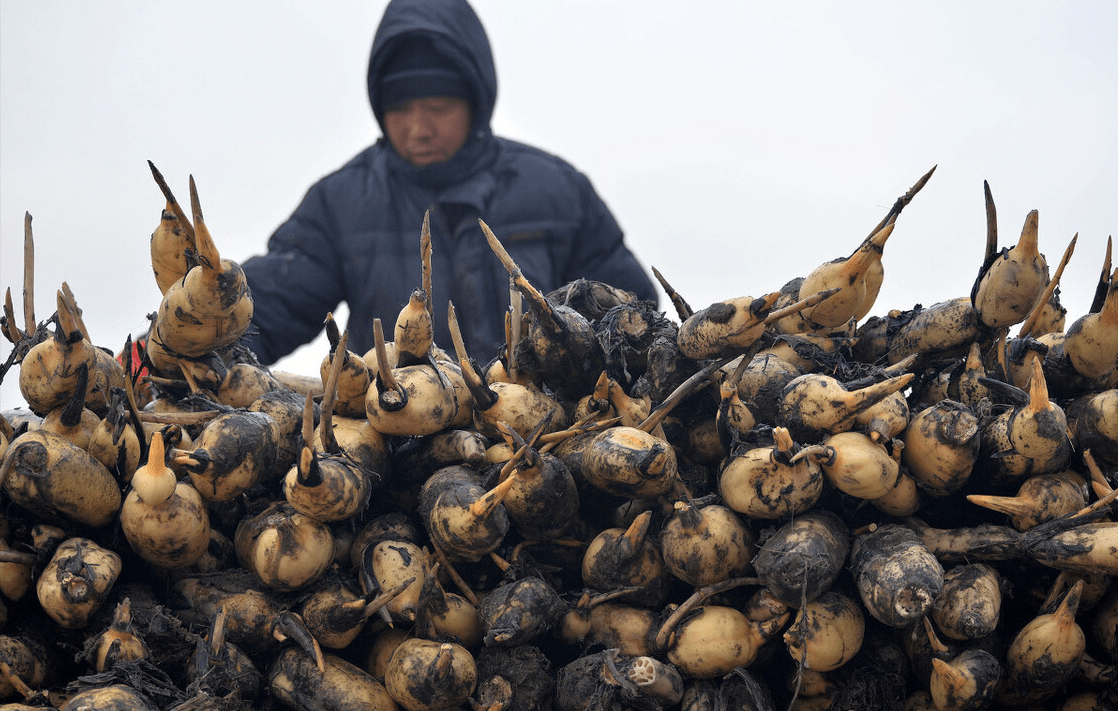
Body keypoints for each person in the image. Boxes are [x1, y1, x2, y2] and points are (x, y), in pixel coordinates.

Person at [240, 0, 658, 366]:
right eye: (399, 108)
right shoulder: (340, 203)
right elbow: (270, 310)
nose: (417, 129)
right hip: (396, 439)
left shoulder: (558, 192)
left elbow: (634, 314)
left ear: (475, 100)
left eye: (438, 107)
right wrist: (206, 331)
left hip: (547, 438)